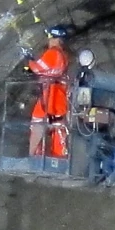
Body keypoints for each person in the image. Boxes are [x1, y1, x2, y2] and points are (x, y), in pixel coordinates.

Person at [26, 26, 71, 159]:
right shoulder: (63, 55)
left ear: (55, 38)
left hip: (48, 99)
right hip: (59, 101)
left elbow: (39, 68)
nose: (49, 40)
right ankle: (59, 159)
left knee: (36, 124)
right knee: (58, 130)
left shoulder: (52, 53)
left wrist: (29, 60)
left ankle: (34, 158)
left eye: (50, 37)